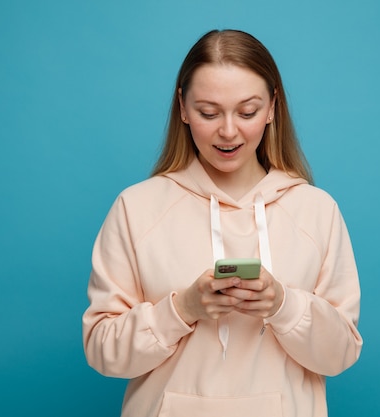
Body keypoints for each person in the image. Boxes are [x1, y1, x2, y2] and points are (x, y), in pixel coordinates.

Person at [82, 29, 363, 417]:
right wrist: (182, 309)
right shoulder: (136, 208)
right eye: (208, 112)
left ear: (271, 108)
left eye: (247, 112)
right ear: (182, 108)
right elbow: (101, 351)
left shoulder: (316, 210)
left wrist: (283, 304)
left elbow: (341, 354)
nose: (228, 131)